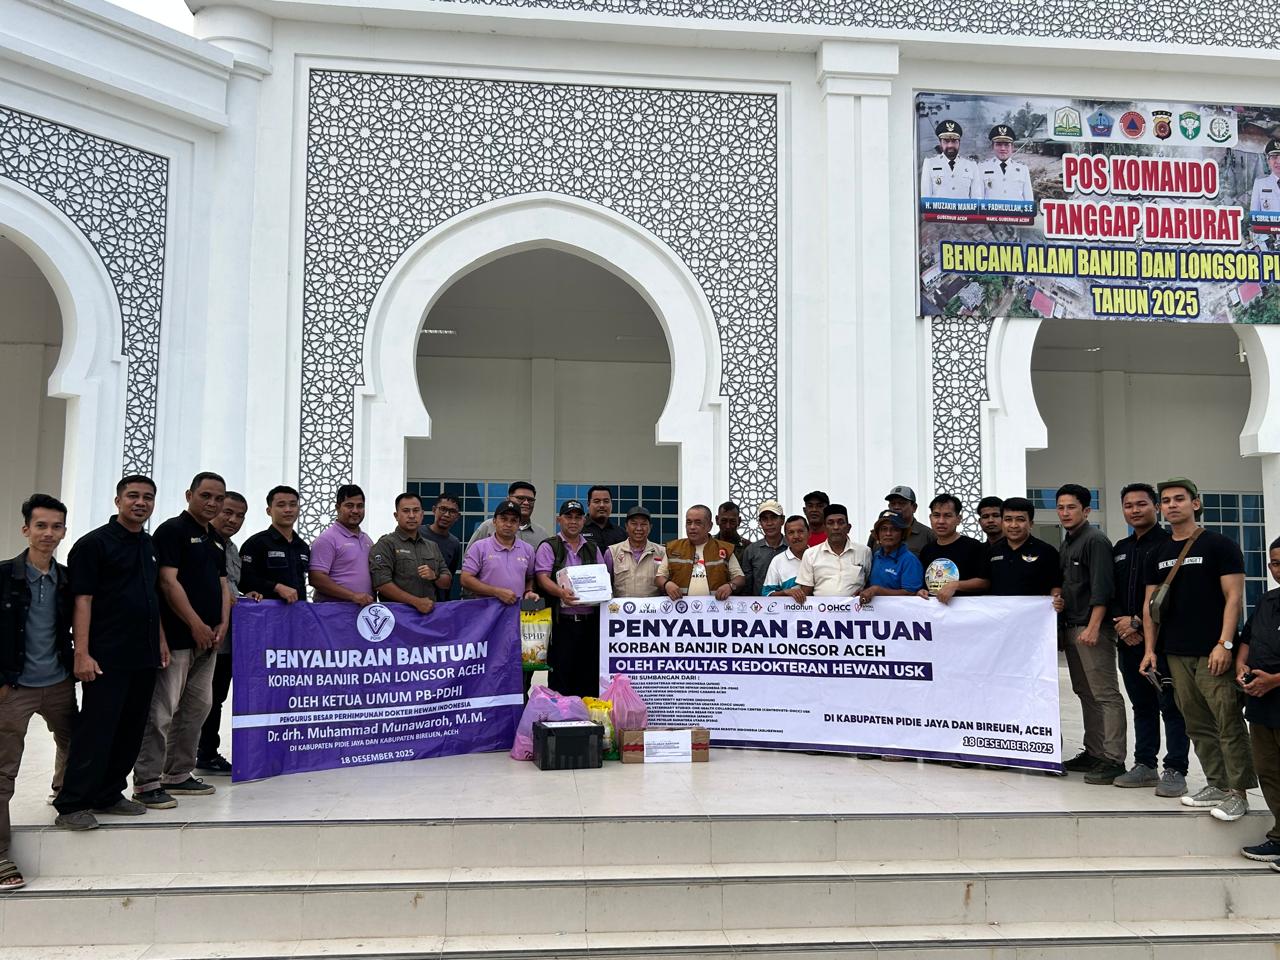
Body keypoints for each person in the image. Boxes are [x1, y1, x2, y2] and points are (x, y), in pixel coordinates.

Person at [54, 476, 168, 831]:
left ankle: (108, 793)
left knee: (131, 729)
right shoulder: (94, 544)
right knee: (97, 730)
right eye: (133, 496)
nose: (141, 502)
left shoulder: (148, 544)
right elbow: (83, 601)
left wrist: (160, 640)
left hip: (143, 655)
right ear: (118, 500)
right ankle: (72, 803)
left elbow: (151, 598)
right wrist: (82, 653)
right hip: (106, 656)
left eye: (148, 497)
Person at [1141, 477, 1255, 822]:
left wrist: (1225, 643)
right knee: (1196, 722)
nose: (1172, 505)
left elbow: (1234, 598)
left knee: (1227, 720)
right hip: (1175, 652)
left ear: (1195, 503)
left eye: (1179, 499)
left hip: (1213, 650)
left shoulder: (1219, 545)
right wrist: (1150, 650)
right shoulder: (1157, 552)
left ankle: (1238, 793)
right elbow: (1150, 606)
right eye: (1166, 500)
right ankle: (1216, 784)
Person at [132, 472, 231, 809]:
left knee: (197, 708)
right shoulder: (172, 531)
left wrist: (221, 624)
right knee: (161, 712)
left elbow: (222, 585)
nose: (213, 503)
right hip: (177, 639)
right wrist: (195, 624)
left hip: (209, 641)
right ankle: (147, 781)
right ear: (190, 495)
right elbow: (167, 582)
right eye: (206, 496)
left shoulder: (215, 539)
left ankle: (177, 774)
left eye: (219, 498)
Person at [1, 494, 75, 890]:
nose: (49, 533)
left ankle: (63, 796)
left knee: (74, 744)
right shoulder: (3, 576)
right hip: (14, 687)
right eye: (41, 525)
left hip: (59, 682)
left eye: (56, 526)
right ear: (26, 529)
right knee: (3, 771)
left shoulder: (66, 580)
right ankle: (0, 854)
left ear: (63, 531)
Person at [1109, 483, 1188, 797]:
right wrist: (1123, 625)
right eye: (1128, 505)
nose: (1134, 510)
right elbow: (1111, 591)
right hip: (1127, 642)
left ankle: (1176, 768)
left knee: (1171, 706)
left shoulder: (1170, 545)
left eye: (1141, 504)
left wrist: (1138, 623)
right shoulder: (1120, 548)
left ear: (1155, 507)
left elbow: (1174, 595)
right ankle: (1145, 764)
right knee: (1141, 705)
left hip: (1163, 641)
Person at [1056, 483, 1125, 785]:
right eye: (1061, 507)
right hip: (1073, 626)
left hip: (1091, 628)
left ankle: (1113, 758)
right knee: (1085, 693)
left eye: (1071, 507)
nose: (1065, 513)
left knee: (1105, 694)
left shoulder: (1095, 541)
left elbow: (1103, 587)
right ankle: (1094, 751)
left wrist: (1095, 626)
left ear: (1086, 510)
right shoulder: (1068, 543)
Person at [197, 492, 260, 777]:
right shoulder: (200, 543)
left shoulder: (232, 549)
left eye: (240, 515)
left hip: (229, 638)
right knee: (196, 700)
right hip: (202, 636)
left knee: (216, 698)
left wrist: (247, 595)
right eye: (228, 512)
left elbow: (233, 587)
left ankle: (207, 753)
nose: (233, 520)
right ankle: (180, 761)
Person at [460, 500, 539, 696]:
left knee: (517, 669)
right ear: (494, 521)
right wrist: (496, 592)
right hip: (486, 620)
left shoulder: (527, 549)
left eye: (513, 520)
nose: (508, 524)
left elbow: (530, 577)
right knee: (487, 668)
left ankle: (518, 709)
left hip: (516, 620)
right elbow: (465, 579)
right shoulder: (480, 547)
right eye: (504, 519)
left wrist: (529, 592)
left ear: (519, 524)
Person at [535, 500, 613, 698]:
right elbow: (542, 578)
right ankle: (560, 716)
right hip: (562, 623)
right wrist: (561, 592)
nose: (573, 521)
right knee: (561, 677)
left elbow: (602, 578)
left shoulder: (592, 548)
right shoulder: (549, 546)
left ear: (584, 521)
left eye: (578, 517)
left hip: (590, 624)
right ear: (559, 519)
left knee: (588, 676)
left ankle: (586, 717)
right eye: (568, 517)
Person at [1237, 538, 1280, 864]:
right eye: (1275, 563)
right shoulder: (1267, 600)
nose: (1279, 569)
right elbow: (1248, 638)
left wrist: (1274, 680)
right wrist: (1241, 666)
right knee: (1269, 772)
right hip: (1261, 705)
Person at [368, 493, 446, 616]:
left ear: (422, 514)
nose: (411, 515)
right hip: (397, 617)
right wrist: (416, 602)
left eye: (416, 511)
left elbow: (447, 582)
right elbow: (381, 584)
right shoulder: (386, 544)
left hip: (429, 616)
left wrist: (434, 576)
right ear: (396, 516)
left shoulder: (432, 546)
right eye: (406, 511)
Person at [656, 505, 745, 601]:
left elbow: (740, 578)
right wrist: (667, 584)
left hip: (716, 607)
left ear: (710, 526)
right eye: (689, 522)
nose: (692, 527)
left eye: (698, 523)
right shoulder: (673, 548)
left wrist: (730, 586)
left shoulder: (725, 549)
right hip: (680, 607)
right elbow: (659, 577)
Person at [239, 486, 311, 603]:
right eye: (281, 505)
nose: (288, 510)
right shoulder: (256, 543)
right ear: (269, 511)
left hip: (298, 610)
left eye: (293, 505)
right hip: (265, 610)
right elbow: (243, 579)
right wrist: (276, 587)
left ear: (298, 509)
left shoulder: (302, 546)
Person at [308, 484, 375, 605]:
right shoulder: (327, 539)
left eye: (360, 506)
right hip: (333, 612)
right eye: (349, 505)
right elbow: (316, 578)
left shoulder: (367, 540)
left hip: (363, 612)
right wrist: (353, 596)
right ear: (338, 508)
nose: (355, 511)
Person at [916, 495, 990, 603]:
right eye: (936, 515)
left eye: (947, 516)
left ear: (958, 519)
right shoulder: (926, 550)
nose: (941, 521)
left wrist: (956, 585)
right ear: (930, 518)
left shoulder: (974, 547)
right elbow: (924, 583)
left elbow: (985, 582)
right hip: (934, 611)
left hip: (967, 610)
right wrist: (922, 591)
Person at [987, 497, 1063, 601]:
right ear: (1002, 522)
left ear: (1031, 524)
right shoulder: (992, 551)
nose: (1014, 525)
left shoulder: (1047, 552)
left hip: (1035, 611)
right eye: (1008, 519)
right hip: (999, 610)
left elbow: (1056, 585)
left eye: (1020, 520)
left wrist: (1056, 598)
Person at [798, 504, 872, 597]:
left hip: (855, 606)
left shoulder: (864, 552)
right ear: (824, 529)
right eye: (830, 523)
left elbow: (869, 583)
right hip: (821, 606)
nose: (836, 527)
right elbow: (806, 592)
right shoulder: (810, 554)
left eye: (840, 522)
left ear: (848, 528)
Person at [465, 481, 548, 554]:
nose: (526, 503)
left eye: (530, 500)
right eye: (520, 498)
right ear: (508, 499)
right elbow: (470, 556)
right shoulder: (488, 526)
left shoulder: (541, 534)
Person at [860, 511, 924, 603]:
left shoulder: (909, 560)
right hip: (875, 611)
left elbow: (911, 593)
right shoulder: (876, 556)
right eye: (883, 529)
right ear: (877, 534)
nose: (888, 533)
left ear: (902, 534)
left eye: (894, 529)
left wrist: (877, 590)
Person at [609, 505, 664, 598]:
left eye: (643, 524)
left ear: (650, 527)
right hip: (621, 607)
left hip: (652, 607)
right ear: (626, 526)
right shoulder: (612, 552)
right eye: (634, 524)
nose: (639, 528)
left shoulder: (662, 553)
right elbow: (605, 586)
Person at [920, 119, 979, 199]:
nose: (950, 145)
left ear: (959, 142)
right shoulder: (930, 163)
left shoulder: (971, 165)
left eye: (954, 141)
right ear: (940, 143)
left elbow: (977, 200)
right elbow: (926, 199)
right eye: (946, 141)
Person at [869, 486, 934, 556]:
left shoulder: (927, 535)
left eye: (902, 503)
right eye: (893, 504)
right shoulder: (878, 534)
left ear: (914, 507)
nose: (896, 507)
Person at [420, 494, 461, 602]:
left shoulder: (454, 543)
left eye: (452, 511)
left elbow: (449, 577)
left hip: (438, 603)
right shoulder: (417, 533)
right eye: (443, 509)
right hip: (412, 601)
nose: (446, 515)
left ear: (457, 516)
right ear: (434, 510)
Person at [978, 124, 1034, 201]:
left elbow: (1029, 200)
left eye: (1007, 145)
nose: (1003, 148)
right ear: (992, 147)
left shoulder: (1023, 169)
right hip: (991, 209)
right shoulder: (982, 168)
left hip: (1016, 209)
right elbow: (979, 199)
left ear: (1012, 147)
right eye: (999, 144)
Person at [741, 501, 786, 596]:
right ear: (760, 523)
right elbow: (747, 586)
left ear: (782, 520)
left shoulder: (793, 547)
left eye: (773, 518)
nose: (769, 523)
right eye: (765, 519)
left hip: (791, 603)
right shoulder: (751, 550)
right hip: (759, 604)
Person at [763, 516, 810, 601]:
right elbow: (766, 595)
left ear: (809, 533)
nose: (796, 536)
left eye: (800, 531)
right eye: (791, 532)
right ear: (786, 537)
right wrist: (785, 592)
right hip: (788, 609)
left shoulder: (818, 556)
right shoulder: (777, 561)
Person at [581, 486, 626, 550]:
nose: (602, 505)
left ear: (611, 504)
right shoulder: (579, 530)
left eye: (606, 501)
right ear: (588, 504)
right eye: (597, 501)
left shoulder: (621, 533)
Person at [713, 501, 752, 569]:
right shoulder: (709, 544)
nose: (728, 526)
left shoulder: (748, 547)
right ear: (717, 520)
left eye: (732, 522)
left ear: (739, 521)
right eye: (724, 521)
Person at [1249, 138, 1280, 219]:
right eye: (1274, 157)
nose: (1278, 161)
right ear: (1268, 160)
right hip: (1267, 228)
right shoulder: (1260, 184)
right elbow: (1254, 216)